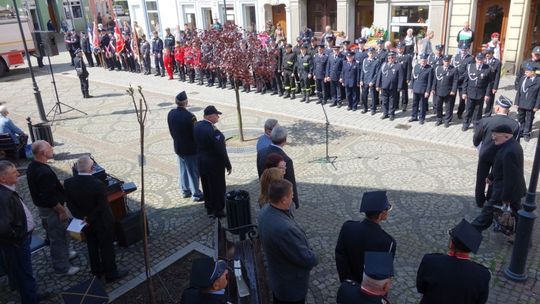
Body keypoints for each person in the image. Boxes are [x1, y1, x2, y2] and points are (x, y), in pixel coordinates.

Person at [64, 156, 127, 282]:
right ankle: (111, 273)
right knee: (106, 247)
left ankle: (96, 271)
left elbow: (70, 204)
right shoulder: (97, 184)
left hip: (84, 223)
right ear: (92, 169)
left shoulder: (68, 183)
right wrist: (89, 218)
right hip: (101, 221)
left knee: (91, 245)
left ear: (76, 168)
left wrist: (82, 218)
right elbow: (101, 207)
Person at [258, 179, 318, 304]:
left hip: (277, 277)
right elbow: (306, 259)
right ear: (284, 199)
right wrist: (314, 256)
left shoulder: (265, 210)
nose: (293, 196)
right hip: (290, 287)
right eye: (291, 194)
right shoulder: (285, 230)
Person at [26, 140, 80, 276]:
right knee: (58, 238)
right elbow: (48, 197)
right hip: (53, 210)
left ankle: (67, 253)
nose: (53, 149)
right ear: (43, 153)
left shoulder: (34, 166)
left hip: (50, 208)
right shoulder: (43, 172)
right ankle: (62, 268)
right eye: (50, 148)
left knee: (64, 231)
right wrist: (61, 211)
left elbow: (50, 186)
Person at [416, 219, 491, 304]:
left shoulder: (430, 261)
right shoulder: (483, 275)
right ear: (470, 250)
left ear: (451, 244)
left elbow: (421, 287)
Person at [471, 124, 526, 233]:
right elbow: (499, 163)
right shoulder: (508, 146)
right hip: (511, 190)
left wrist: (506, 198)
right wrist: (491, 176)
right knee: (517, 214)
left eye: (495, 135)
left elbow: (510, 177)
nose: (493, 137)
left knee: (487, 213)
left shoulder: (509, 151)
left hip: (503, 191)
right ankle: (524, 238)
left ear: (506, 136)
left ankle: (467, 234)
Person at [335, 191, 396, 284]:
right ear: (381, 215)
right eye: (387, 210)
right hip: (368, 292)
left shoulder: (348, 227)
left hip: (347, 285)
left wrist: (347, 282)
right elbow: (379, 276)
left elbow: (340, 258)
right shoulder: (386, 242)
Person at [0, 161, 39, 304]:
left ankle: (29, 294)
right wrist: (20, 236)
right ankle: (31, 300)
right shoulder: (3, 197)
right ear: (3, 178)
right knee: (24, 273)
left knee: (21, 272)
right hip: (18, 243)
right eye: (14, 172)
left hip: (18, 241)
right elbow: (3, 228)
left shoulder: (7, 190)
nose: (18, 173)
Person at [473, 96, 519, 208]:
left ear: (497, 108)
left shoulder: (485, 121)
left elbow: (476, 140)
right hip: (502, 157)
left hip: (485, 155)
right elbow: (515, 144)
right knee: (495, 179)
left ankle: (479, 201)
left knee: (481, 178)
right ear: (508, 110)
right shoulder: (514, 125)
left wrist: (481, 149)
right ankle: (490, 199)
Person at [193, 106, 231, 218]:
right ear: (209, 116)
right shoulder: (214, 131)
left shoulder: (196, 126)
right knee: (218, 187)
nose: (218, 117)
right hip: (214, 164)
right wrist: (228, 164)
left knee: (206, 186)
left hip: (201, 162)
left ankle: (209, 207)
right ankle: (218, 210)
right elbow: (221, 151)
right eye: (216, 115)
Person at [167, 91, 204, 202]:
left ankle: (185, 190)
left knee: (183, 169)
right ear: (186, 102)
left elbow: (171, 130)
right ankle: (196, 194)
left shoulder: (171, 113)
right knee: (193, 172)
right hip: (190, 149)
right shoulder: (190, 116)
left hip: (178, 146)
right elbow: (195, 134)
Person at [257, 126, 299, 209]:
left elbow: (260, 172)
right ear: (285, 140)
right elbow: (290, 182)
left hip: (265, 195)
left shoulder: (261, 152)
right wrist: (295, 201)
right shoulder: (286, 160)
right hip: (278, 199)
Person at [462, 53, 492, 131]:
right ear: (475, 59)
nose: (480, 61)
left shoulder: (487, 68)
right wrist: (464, 92)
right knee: (468, 109)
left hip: (480, 93)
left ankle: (476, 125)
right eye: (478, 59)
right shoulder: (470, 67)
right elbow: (466, 81)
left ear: (484, 59)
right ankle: (466, 123)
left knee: (478, 111)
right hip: (470, 92)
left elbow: (489, 83)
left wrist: (487, 94)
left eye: (481, 59)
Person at [515, 64, 540, 142]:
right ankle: (521, 131)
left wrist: (537, 106)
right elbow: (518, 91)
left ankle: (527, 133)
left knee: (529, 119)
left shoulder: (538, 80)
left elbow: (539, 95)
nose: (525, 73)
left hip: (531, 103)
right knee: (520, 118)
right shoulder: (523, 79)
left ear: (532, 72)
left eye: (527, 72)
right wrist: (516, 102)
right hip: (522, 102)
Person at [431, 55, 458, 127]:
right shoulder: (438, 68)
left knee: (448, 107)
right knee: (438, 106)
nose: (446, 63)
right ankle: (439, 119)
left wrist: (453, 90)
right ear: (443, 61)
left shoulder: (454, 70)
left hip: (448, 92)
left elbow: (455, 81)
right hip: (439, 91)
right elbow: (435, 79)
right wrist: (433, 88)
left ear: (450, 61)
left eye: (448, 61)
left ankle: (447, 121)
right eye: (445, 61)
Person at [376, 51, 404, 120]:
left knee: (392, 101)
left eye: (392, 58)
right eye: (389, 58)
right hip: (384, 86)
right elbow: (379, 75)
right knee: (384, 100)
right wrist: (378, 85)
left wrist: (399, 87)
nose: (390, 59)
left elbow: (401, 77)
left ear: (395, 58)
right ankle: (385, 113)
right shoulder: (384, 65)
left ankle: (391, 113)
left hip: (393, 87)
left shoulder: (399, 65)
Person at [409, 53, 433, 124]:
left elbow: (429, 81)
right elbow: (413, 77)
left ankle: (421, 118)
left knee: (422, 105)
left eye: (424, 60)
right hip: (416, 88)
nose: (423, 62)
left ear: (427, 61)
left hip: (423, 90)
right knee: (414, 104)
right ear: (420, 60)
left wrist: (427, 91)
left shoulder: (429, 69)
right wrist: (411, 87)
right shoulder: (416, 66)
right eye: (422, 60)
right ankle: (414, 116)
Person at [452, 44, 474, 119]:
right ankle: (450, 112)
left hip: (463, 81)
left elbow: (469, 70)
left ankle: (460, 112)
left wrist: (461, 77)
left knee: (462, 98)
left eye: (465, 50)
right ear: (460, 49)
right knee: (451, 98)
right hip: (454, 81)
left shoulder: (470, 58)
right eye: (462, 50)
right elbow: (453, 67)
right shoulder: (456, 57)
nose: (463, 51)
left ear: (467, 50)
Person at [359, 47, 381, 114]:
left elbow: (377, 73)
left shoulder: (377, 61)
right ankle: (365, 108)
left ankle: (373, 109)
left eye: (372, 53)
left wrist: (373, 81)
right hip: (365, 81)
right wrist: (361, 80)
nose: (371, 54)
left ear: (374, 53)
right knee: (364, 95)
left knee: (373, 96)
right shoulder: (365, 60)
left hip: (372, 82)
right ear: (367, 53)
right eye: (369, 53)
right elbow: (362, 71)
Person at [483, 48, 502, 117]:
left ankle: (488, 114)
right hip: (483, 83)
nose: (487, 55)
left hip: (491, 84)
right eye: (486, 54)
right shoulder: (483, 60)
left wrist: (495, 87)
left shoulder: (497, 62)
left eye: (489, 53)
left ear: (492, 54)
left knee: (490, 100)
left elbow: (497, 76)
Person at [396, 43, 413, 112]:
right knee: (396, 91)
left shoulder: (407, 57)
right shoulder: (395, 56)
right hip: (396, 77)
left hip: (404, 77)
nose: (400, 50)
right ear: (397, 49)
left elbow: (409, 68)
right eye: (399, 48)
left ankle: (404, 105)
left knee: (404, 92)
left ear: (403, 49)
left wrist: (408, 78)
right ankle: (396, 104)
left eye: (401, 48)